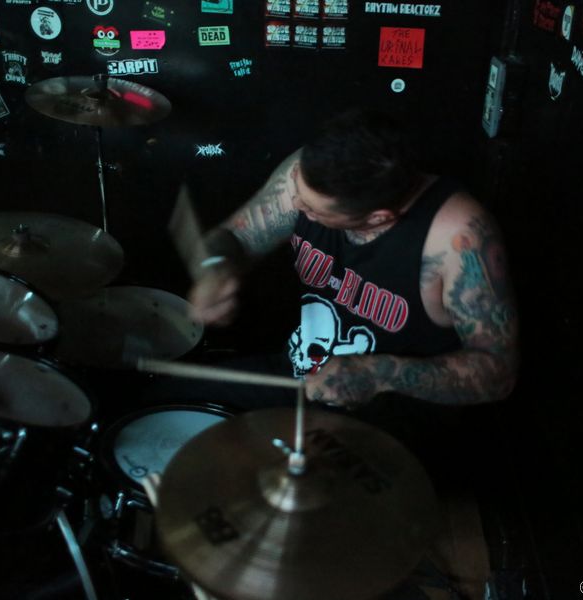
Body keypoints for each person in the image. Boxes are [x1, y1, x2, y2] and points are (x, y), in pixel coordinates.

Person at [188, 108, 519, 410]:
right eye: (298, 193)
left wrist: (379, 374)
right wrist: (214, 269)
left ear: (378, 218)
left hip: (392, 411)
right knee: (178, 397)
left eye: (312, 210)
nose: (296, 206)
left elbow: (498, 373)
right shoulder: (309, 175)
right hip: (299, 374)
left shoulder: (458, 237)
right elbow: (235, 238)